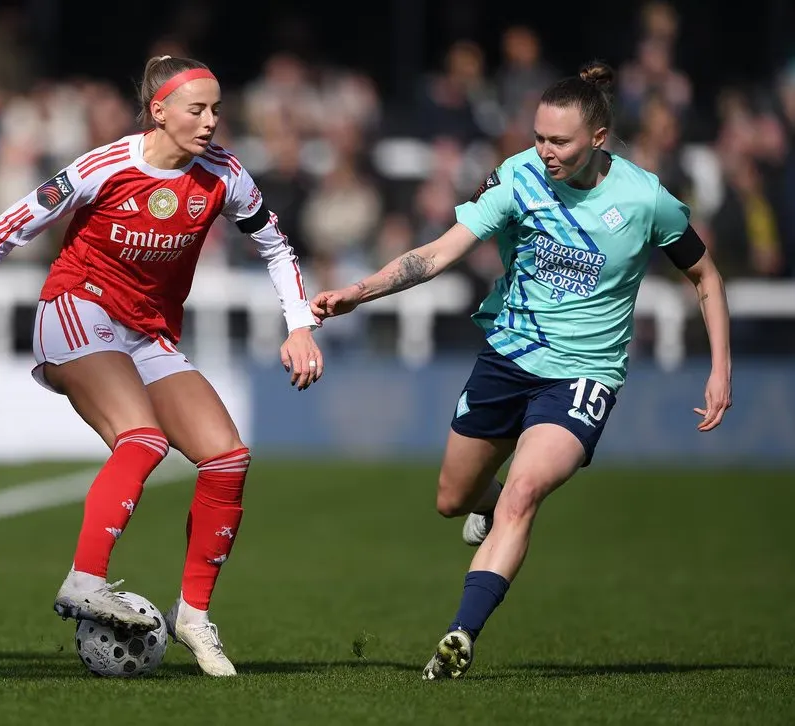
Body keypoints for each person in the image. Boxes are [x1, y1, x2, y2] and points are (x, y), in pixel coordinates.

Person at [0, 55, 324, 677]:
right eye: (196, 109)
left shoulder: (225, 175)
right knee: (143, 439)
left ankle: (194, 618)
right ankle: (84, 580)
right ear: (159, 111)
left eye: (217, 109)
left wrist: (300, 326)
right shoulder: (105, 165)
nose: (210, 122)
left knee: (227, 456)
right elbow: (13, 225)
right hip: (78, 309)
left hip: (147, 333)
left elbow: (275, 245)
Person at [310, 61, 732, 680]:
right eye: (538, 136)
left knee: (524, 492)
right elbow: (438, 253)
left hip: (585, 376)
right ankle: (485, 508)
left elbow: (707, 277)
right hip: (506, 361)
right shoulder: (517, 178)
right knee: (452, 500)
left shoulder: (645, 200)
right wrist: (359, 292)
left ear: (598, 138)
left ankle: (460, 635)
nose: (545, 150)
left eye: (558, 140)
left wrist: (719, 369)